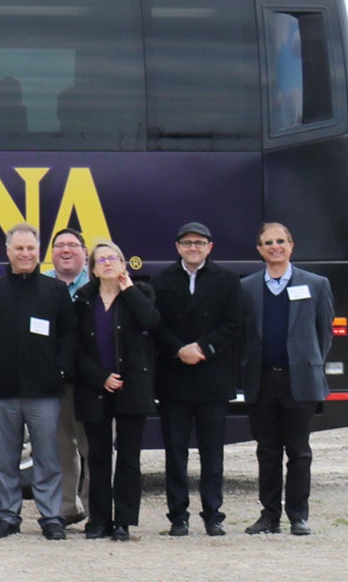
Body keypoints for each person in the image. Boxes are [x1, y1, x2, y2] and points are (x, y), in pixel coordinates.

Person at [0, 223, 79, 540]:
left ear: (38, 251)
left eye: (31, 248)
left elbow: (69, 334)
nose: (25, 253)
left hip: (44, 391)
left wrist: (60, 367)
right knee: (4, 459)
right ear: (8, 252)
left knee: (47, 458)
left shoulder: (54, 290)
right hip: (2, 391)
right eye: (19, 248)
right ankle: (7, 515)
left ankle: (50, 516)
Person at [238, 222, 333, 537]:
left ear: (291, 245)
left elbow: (324, 332)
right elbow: (242, 334)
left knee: (299, 451)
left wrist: (309, 363)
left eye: (281, 241)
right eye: (268, 242)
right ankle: (269, 515)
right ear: (259, 249)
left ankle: (298, 515)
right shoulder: (247, 287)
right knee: (267, 451)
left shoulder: (316, 285)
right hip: (262, 380)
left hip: (299, 381)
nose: (274, 246)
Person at [150, 221, 240, 537]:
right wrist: (178, 349)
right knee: (175, 452)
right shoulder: (161, 281)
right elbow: (155, 326)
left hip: (211, 376)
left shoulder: (227, 281)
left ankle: (213, 514)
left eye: (199, 243)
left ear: (209, 247)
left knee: (212, 452)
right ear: (177, 247)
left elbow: (233, 325)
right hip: (175, 377)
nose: (193, 248)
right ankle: (178, 516)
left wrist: (203, 348)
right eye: (187, 243)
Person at [71, 241, 161, 541]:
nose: (108, 263)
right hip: (96, 388)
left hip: (131, 389)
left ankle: (123, 520)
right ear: (92, 269)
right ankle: (98, 520)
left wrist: (129, 290)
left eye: (115, 258)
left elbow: (151, 322)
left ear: (124, 265)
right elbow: (76, 350)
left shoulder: (139, 295)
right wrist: (100, 377)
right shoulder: (83, 300)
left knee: (128, 458)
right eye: (102, 260)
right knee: (97, 457)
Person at [44, 228, 92, 527]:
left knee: (94, 449)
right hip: (54, 382)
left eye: (72, 245)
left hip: (92, 381)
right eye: (59, 245)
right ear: (51, 253)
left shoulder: (98, 282)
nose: (66, 250)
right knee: (62, 447)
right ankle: (66, 508)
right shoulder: (42, 284)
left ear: (84, 253)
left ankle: (96, 510)